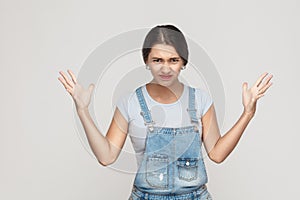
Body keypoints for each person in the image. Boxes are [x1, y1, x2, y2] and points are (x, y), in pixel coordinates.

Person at [58, 24, 273, 200]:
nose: (165, 68)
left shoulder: (200, 100)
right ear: (147, 62)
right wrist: (83, 110)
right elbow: (106, 156)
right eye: (157, 60)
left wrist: (247, 113)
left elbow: (217, 154)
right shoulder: (130, 103)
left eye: (173, 60)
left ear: (183, 63)